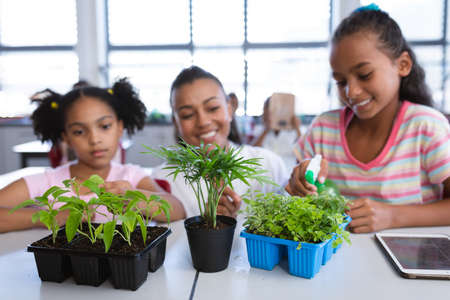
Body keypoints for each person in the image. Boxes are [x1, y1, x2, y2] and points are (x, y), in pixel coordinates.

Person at [286, 4, 450, 233]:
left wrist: (393, 216)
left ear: (403, 65)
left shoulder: (426, 127)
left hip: (408, 263)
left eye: (364, 75)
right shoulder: (323, 129)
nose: (351, 92)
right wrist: (298, 183)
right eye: (341, 82)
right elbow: (293, 189)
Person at [0, 78, 185, 233]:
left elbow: (176, 210)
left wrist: (135, 197)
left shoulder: (131, 177)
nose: (94, 139)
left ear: (120, 127)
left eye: (104, 126)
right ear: (66, 137)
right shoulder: (47, 182)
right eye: (80, 131)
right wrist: (52, 217)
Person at [152, 66, 289, 218]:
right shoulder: (162, 179)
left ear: (230, 109)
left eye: (212, 108)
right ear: (176, 123)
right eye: (188, 115)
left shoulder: (268, 163)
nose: (203, 122)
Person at [252, 96, 302, 168]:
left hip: (288, 172)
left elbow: (303, 153)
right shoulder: (260, 130)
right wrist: (266, 130)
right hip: (265, 172)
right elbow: (252, 152)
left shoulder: (293, 132)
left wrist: (297, 129)